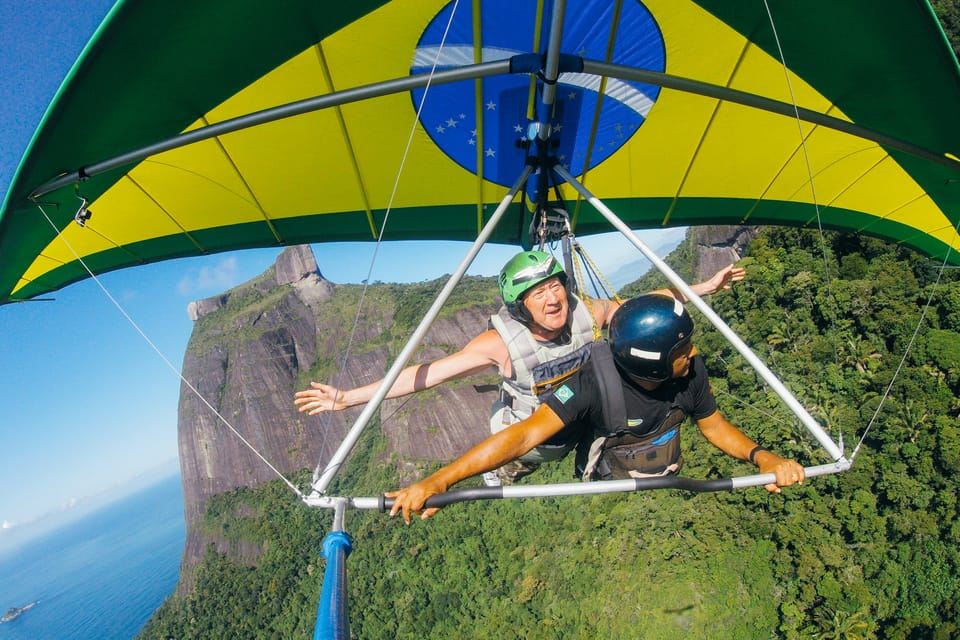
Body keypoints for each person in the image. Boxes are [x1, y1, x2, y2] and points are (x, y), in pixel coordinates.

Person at [294, 250, 745, 482]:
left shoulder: (586, 310)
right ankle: (495, 473)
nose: (552, 298)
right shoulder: (500, 343)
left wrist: (705, 286)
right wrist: (347, 397)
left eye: (555, 286)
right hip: (531, 436)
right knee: (509, 465)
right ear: (520, 305)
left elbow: (643, 312)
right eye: (537, 293)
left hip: (579, 419)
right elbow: (426, 374)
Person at [386, 294, 805, 524]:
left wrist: (763, 457)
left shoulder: (690, 370)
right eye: (682, 350)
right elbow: (526, 433)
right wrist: (440, 481)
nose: (694, 353)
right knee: (529, 452)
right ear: (652, 361)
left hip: (654, 458)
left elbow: (714, 426)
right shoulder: (591, 382)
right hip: (605, 451)